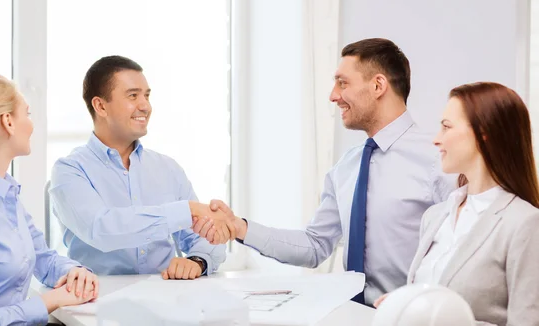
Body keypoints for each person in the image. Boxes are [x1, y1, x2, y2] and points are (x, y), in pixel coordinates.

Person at [194, 38, 456, 305]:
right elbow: (315, 246)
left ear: (378, 86)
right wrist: (240, 228)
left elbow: (462, 257)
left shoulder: (439, 158)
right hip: (353, 317)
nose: (333, 95)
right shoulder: (346, 167)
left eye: (343, 83)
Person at [50, 56, 233, 280]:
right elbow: (102, 230)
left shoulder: (168, 168)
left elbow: (206, 237)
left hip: (166, 299)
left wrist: (197, 260)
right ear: (100, 106)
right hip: (97, 303)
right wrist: (187, 210)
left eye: (146, 95)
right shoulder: (69, 171)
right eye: (133, 95)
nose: (145, 106)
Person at [0, 74, 98, 326]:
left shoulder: (5, 192)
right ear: (8, 122)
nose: (32, 124)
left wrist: (74, 271)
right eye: (27, 113)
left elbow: (43, 258)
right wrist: (53, 300)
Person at [374, 82, 539, 325]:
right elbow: (437, 297)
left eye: (446, 127)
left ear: (484, 134)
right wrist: (409, 306)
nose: (436, 140)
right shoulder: (435, 216)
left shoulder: (525, 223)